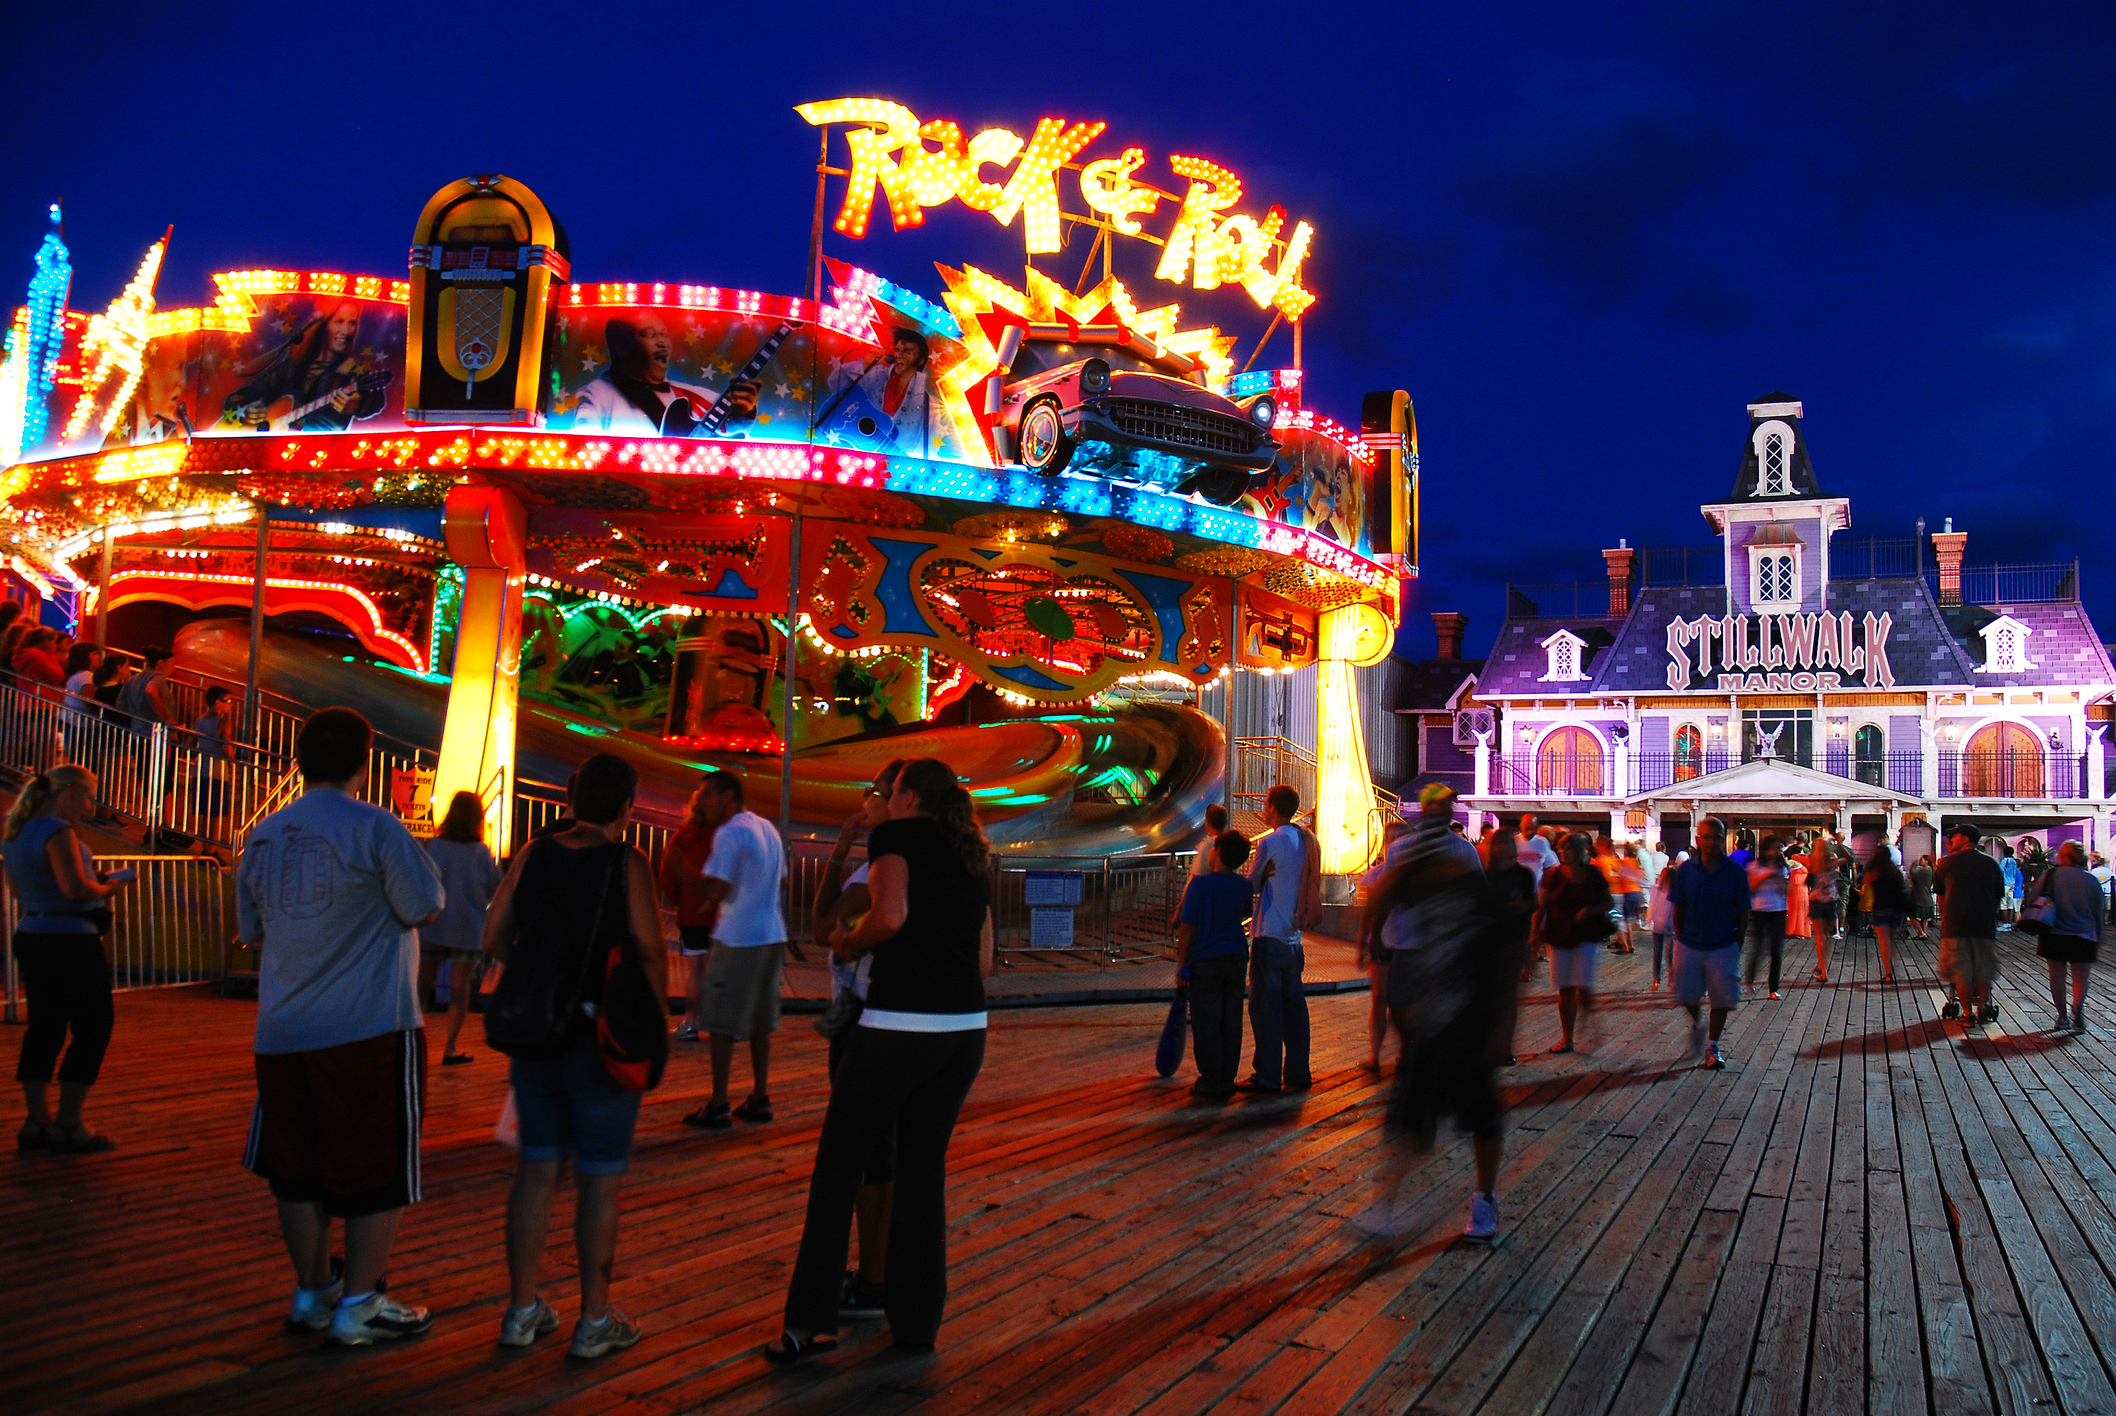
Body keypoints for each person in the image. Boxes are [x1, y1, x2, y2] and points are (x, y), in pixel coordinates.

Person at [771, 758, 995, 1363]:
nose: (884, 800)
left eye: (889, 792)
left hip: (900, 1021)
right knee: (924, 1175)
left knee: (838, 1164)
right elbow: (983, 961)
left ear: (909, 797)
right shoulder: (974, 853)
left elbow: (889, 915)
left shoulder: (897, 836)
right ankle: (917, 1322)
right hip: (964, 1028)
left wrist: (849, 939)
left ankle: (809, 1320)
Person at [236, 708, 446, 1345]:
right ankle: (361, 1300)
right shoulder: (375, 827)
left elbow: (251, 932)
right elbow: (422, 905)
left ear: (300, 759)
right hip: (367, 1025)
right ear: (366, 757)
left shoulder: (265, 834)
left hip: (281, 1028)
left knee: (294, 1167)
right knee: (374, 1166)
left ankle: (312, 1290)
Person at [482, 753, 664, 1360]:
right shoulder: (626, 863)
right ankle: (593, 1320)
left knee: (536, 1174)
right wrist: (654, 1018)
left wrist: (535, 971)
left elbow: (493, 934)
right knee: (599, 1183)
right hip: (600, 1041)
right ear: (626, 807)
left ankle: (522, 1310)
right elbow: (648, 949)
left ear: (571, 799)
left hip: (536, 1037)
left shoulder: (536, 853)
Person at [1354, 796, 1510, 1243]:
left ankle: (1485, 1199)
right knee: (1410, 1116)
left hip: (1470, 1021)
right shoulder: (1425, 887)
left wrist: (1500, 1030)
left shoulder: (1473, 896)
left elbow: (1501, 963)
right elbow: (1384, 893)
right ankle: (1385, 1205)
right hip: (1432, 1020)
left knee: (1481, 1117)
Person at [807, 759, 910, 1322]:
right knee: (889, 1145)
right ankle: (885, 1268)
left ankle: (872, 1277)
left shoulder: (874, 871)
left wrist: (840, 852)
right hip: (904, 1016)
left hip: (859, 1013)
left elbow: (823, 925)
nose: (865, 800)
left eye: (873, 792)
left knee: (864, 1148)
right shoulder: (936, 864)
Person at [6, 765, 131, 1153]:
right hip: (70, 938)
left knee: (44, 1026)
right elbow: (75, 890)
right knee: (93, 1025)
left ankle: (36, 1118)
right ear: (70, 792)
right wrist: (110, 886)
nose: (90, 804)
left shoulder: (15, 832)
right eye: (89, 795)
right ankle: (69, 1122)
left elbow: (18, 890)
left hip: (33, 932)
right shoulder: (58, 832)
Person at [685, 770, 787, 1130]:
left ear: (729, 797)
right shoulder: (767, 829)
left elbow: (716, 890)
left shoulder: (730, 832)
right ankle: (759, 1096)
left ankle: (718, 1103)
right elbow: (783, 879)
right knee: (762, 1022)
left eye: (707, 796)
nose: (702, 803)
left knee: (720, 1021)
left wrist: (681, 874)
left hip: (737, 937)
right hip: (772, 934)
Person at [569, 314, 760, 436]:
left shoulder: (692, 394)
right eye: (650, 335)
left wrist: (744, 412)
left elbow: (728, 433)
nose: (662, 343)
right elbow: (582, 446)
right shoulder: (597, 394)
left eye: (663, 334)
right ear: (620, 348)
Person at [420, 790, 502, 1066]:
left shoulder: (433, 846)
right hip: (468, 927)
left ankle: (415, 1041)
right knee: (459, 987)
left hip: (433, 923)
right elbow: (494, 888)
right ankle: (450, 1047)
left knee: (422, 985)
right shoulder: (480, 852)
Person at [1243, 783, 1315, 1093]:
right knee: (1294, 1007)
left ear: (1273, 807)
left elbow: (1253, 884)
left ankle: (1268, 1074)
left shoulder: (1271, 842)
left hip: (1269, 933)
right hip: (1293, 937)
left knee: (1265, 1008)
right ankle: (1298, 1070)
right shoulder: (1305, 839)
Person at [220, 300, 388, 432]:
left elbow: (375, 399)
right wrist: (243, 414)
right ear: (322, 324)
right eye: (339, 321)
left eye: (352, 323)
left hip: (320, 457)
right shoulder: (291, 368)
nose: (346, 331)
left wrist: (359, 404)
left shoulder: (353, 372)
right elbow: (237, 398)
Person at [1176, 830, 1255, 1100]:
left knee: (1206, 1018)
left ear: (1218, 851)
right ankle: (1226, 1077)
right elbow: (1244, 912)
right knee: (1231, 1018)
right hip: (1236, 956)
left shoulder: (1199, 885)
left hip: (1206, 958)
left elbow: (1187, 928)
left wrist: (1180, 966)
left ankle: (1210, 1079)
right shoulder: (1244, 886)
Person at [1669, 816, 1750, 1070]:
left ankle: (1713, 1044)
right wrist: (1680, 937)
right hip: (1690, 941)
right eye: (1707, 837)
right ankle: (1698, 1023)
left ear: (1723, 839)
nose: (1712, 842)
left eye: (1717, 836)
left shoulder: (1734, 872)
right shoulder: (1686, 871)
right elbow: (1678, 906)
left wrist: (1737, 943)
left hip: (1723, 942)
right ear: (1698, 839)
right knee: (1685, 993)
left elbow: (1743, 911)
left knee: (1722, 998)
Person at [659, 775, 723, 1043]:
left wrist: (677, 899)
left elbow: (667, 874)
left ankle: (690, 1022)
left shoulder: (683, 837)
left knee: (695, 969)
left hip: (692, 914)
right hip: (722, 913)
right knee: (720, 968)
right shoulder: (723, 835)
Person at [1537, 832, 1612, 1054]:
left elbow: (1608, 901)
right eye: (1561, 848)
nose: (1563, 852)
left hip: (1586, 935)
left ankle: (1588, 1017)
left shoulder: (1593, 874)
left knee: (1584, 986)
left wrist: (1590, 910)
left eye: (1568, 848)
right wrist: (1535, 932)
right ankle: (1567, 1038)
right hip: (1559, 935)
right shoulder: (1553, 875)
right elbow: (1542, 905)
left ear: (1580, 851)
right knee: (1565, 990)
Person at [820, 327, 935, 455]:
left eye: (907, 352)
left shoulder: (926, 402)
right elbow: (834, 381)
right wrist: (864, 364)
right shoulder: (876, 374)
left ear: (921, 360)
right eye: (897, 350)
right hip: (861, 455)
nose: (898, 355)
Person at [1933, 822, 2004, 1027]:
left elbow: (1941, 896)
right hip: (1984, 926)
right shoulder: (1991, 864)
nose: (1951, 840)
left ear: (1965, 838)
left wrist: (1946, 917)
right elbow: (1998, 896)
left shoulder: (1946, 863)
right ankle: (1982, 1006)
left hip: (1955, 926)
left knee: (1960, 970)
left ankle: (1966, 1013)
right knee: (1983, 968)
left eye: (1954, 837)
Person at [1357, 817, 1414, 1070]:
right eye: (1391, 841)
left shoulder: (1415, 877)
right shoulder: (1375, 876)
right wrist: (1362, 943)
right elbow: (1369, 912)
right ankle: (1376, 1055)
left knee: (1402, 1003)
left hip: (1405, 945)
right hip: (1386, 945)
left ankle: (1402, 1052)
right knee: (1381, 1000)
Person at [2031, 841, 2102, 1035]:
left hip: (2054, 933)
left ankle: (2062, 1017)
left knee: (2057, 977)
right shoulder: (2091, 880)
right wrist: (2099, 937)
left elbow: (2033, 899)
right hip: (2084, 934)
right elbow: (2099, 912)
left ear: (2065, 856)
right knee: (2081, 978)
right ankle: (2077, 1007)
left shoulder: (2051, 875)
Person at [1484, 828, 1538, 1066]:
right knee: (1487, 997)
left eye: (1509, 842)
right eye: (1500, 842)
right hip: (1485, 943)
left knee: (1507, 997)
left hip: (1513, 941)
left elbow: (1530, 904)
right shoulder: (1484, 875)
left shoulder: (1523, 875)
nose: (1505, 847)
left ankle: (1504, 1048)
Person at [1744, 837, 1791, 999]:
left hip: (1779, 909)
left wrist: (1782, 882)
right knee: (1758, 948)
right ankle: (1749, 980)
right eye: (1770, 849)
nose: (1773, 852)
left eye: (1776, 849)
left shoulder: (1782, 867)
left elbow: (1786, 891)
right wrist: (1766, 877)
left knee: (1777, 950)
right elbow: (1750, 887)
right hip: (1760, 909)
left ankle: (1774, 988)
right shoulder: (1754, 866)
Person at [192, 685, 235, 854]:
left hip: (201, 768)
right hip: (217, 770)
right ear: (218, 702)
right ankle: (212, 849)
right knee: (216, 813)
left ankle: (205, 846)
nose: (230, 705)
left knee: (205, 810)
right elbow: (226, 745)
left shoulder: (200, 720)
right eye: (228, 701)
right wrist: (233, 762)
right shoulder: (224, 722)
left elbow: (192, 741)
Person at [1864, 848, 1910, 983]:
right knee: (1891, 942)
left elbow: (1866, 882)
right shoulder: (1895, 872)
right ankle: (1893, 966)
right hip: (1896, 910)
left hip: (1880, 908)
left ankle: (1889, 973)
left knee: (1884, 943)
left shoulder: (1875, 871)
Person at [1803, 836, 1839, 982]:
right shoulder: (1833, 861)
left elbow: (1794, 856)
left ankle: (1822, 969)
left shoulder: (1812, 861)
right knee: (1828, 937)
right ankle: (1824, 966)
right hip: (1830, 900)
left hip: (1816, 900)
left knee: (1820, 937)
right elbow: (1850, 858)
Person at [1647, 851, 1684, 991]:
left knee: (1669, 954)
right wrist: (1649, 919)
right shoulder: (1657, 889)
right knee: (1659, 954)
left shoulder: (1673, 892)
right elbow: (1652, 905)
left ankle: (1671, 979)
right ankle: (1657, 979)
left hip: (1669, 926)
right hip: (1660, 926)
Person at [1190, 803, 1231, 883]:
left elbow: (1196, 875)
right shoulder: (1231, 843)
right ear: (1226, 822)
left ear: (1207, 823)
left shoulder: (1205, 846)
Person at [1909, 854, 1936, 940]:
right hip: (1926, 897)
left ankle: (1921, 932)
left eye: (1922, 859)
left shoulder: (1925, 871)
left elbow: (1913, 873)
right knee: (1924, 918)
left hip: (1920, 897)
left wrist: (1914, 864)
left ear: (1927, 861)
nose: (1920, 861)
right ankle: (1924, 932)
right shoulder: (1930, 870)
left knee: (1912, 915)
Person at [1999, 845, 2023, 927]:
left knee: (2003, 903)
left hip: (2005, 883)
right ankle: (2009, 921)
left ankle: (2005, 922)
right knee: (2010, 903)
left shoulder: (2005, 860)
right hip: (2012, 883)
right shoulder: (2014, 862)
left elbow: (2000, 870)